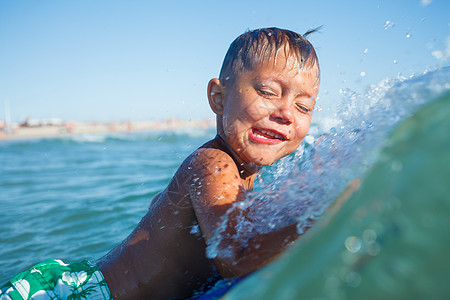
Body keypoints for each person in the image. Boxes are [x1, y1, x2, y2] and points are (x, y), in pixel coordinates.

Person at [0, 27, 320, 300]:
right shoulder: (213, 163)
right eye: (268, 92)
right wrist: (322, 217)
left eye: (304, 106)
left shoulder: (239, 178)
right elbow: (235, 257)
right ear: (218, 97)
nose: (286, 113)